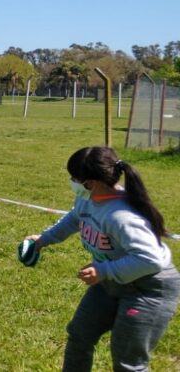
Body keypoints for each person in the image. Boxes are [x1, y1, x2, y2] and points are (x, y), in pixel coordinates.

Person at [22, 146, 178, 371]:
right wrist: (43, 240)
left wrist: (102, 271)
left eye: (74, 178)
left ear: (91, 182)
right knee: (79, 336)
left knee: (128, 363)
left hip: (148, 289)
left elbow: (150, 259)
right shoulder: (88, 199)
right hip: (111, 283)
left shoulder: (122, 216)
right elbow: (75, 218)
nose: (71, 182)